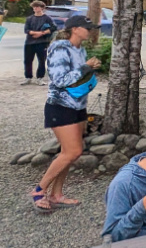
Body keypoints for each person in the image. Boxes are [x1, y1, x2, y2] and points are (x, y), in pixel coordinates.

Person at [32, 15, 101, 213]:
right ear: (75, 29)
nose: (91, 31)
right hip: (60, 106)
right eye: (88, 28)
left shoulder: (81, 49)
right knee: (73, 152)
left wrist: (89, 68)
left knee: (67, 154)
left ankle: (57, 194)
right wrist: (86, 67)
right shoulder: (60, 48)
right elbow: (60, 79)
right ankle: (39, 190)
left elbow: (80, 76)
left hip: (78, 106)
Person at [23, 0, 55, 85]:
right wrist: (35, 33)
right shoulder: (29, 18)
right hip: (29, 42)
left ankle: (40, 78)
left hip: (42, 42)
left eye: (37, 7)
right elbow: (26, 30)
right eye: (34, 7)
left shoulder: (47, 18)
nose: (35, 8)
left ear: (42, 8)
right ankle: (28, 77)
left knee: (41, 60)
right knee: (28, 60)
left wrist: (42, 33)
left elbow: (53, 28)